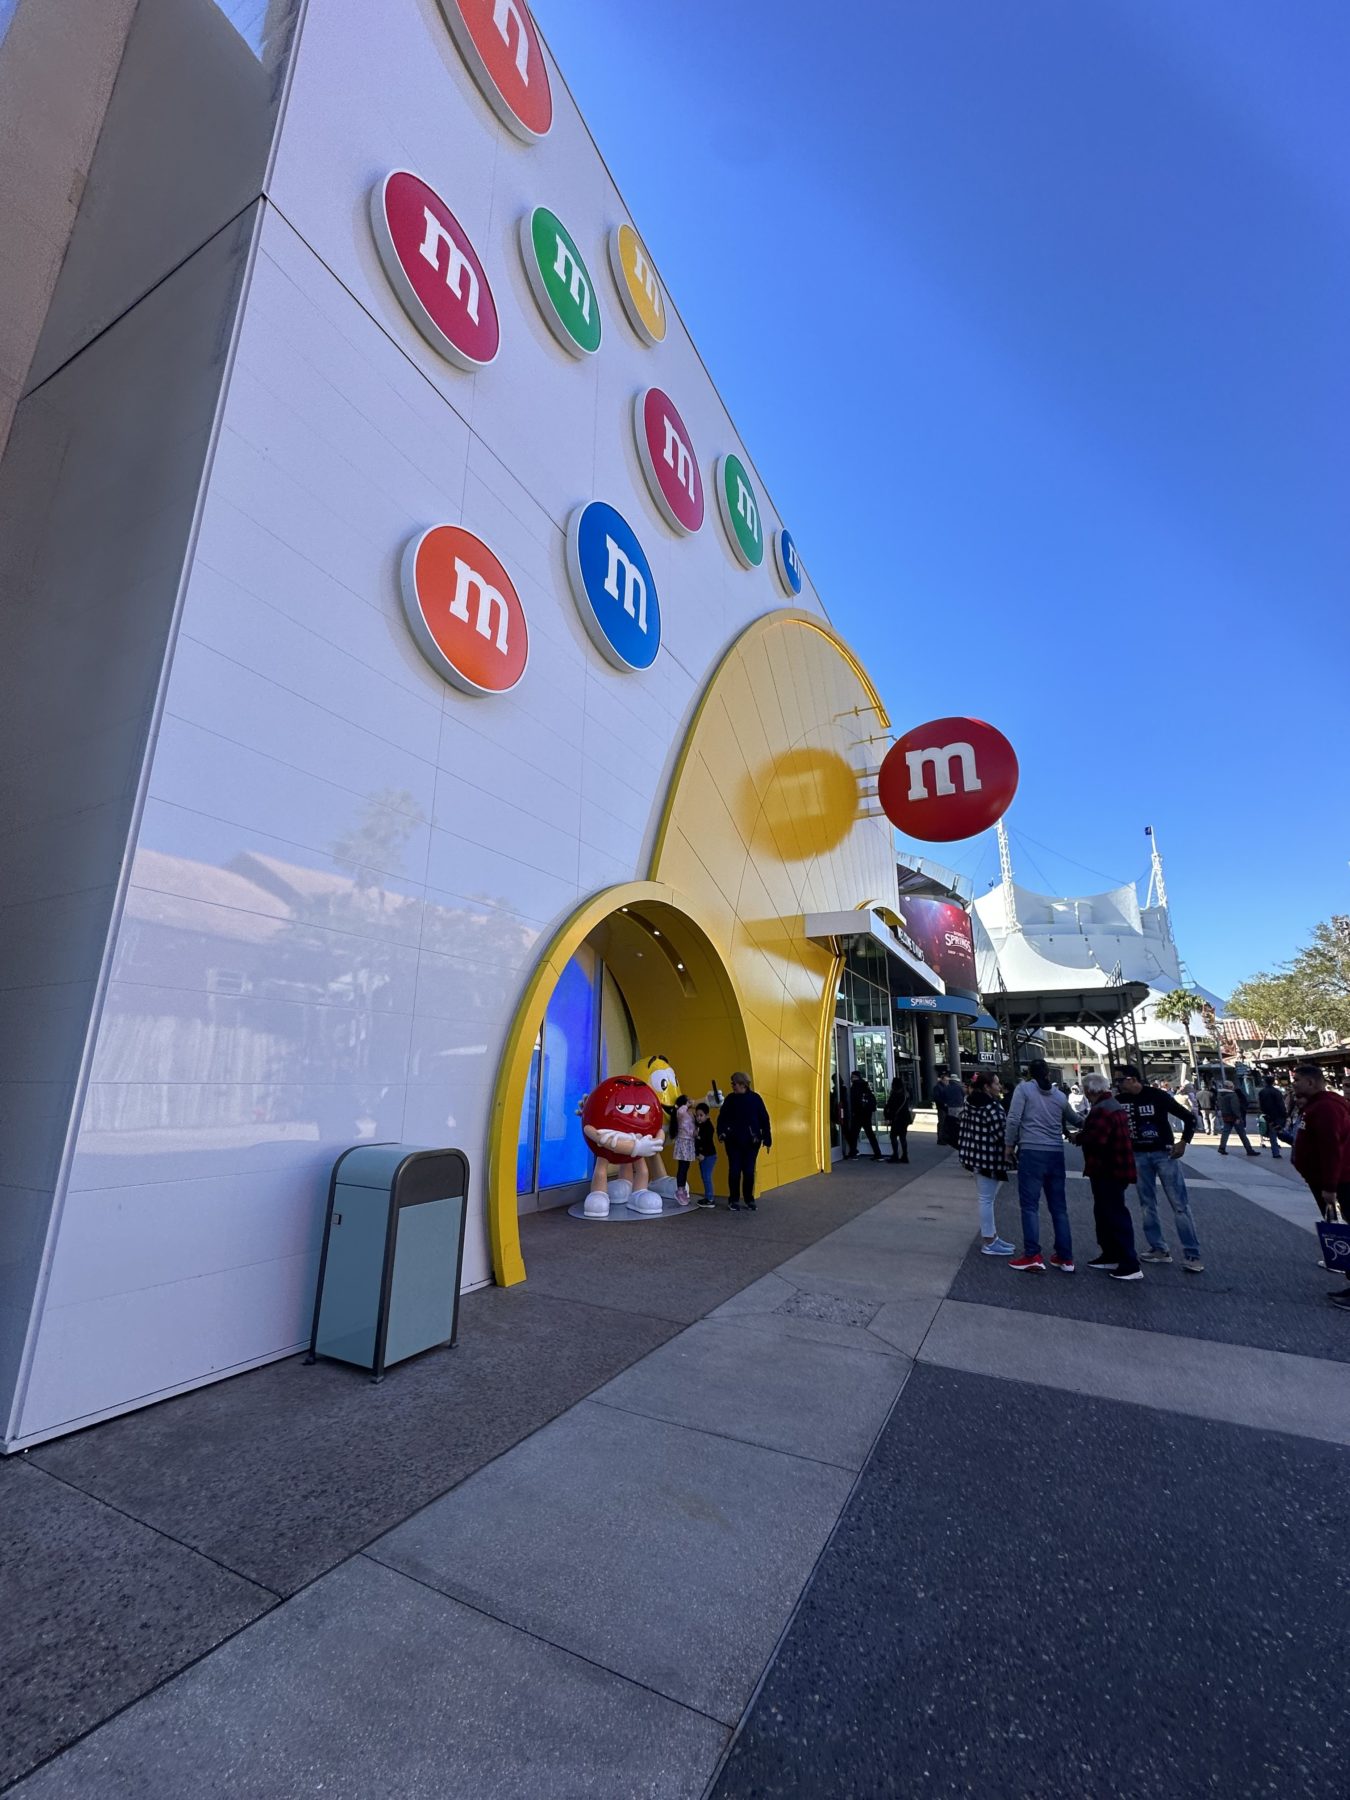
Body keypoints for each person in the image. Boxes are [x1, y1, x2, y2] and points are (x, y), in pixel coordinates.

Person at [1115, 1065, 1203, 1272]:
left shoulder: (1157, 1096)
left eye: (1120, 1080)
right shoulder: (1119, 1101)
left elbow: (1189, 1117)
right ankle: (1158, 1248)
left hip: (1164, 1153)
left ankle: (1192, 1254)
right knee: (1147, 1203)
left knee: (1179, 1204)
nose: (1117, 1084)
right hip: (1137, 1154)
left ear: (1133, 1079)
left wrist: (1183, 1142)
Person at [1004, 1058, 1077, 1272]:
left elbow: (1014, 1118)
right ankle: (1065, 1256)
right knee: (1059, 1208)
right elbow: (1073, 1118)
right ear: (1048, 1073)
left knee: (1029, 1206)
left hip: (1031, 1150)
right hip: (1055, 1152)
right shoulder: (1059, 1096)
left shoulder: (1024, 1090)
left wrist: (1009, 1145)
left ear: (1029, 1073)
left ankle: (1032, 1254)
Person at [1290, 1063, 1350, 1312]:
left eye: (1297, 1081)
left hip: (1340, 1182)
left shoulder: (1326, 1107)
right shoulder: (1317, 1105)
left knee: (1345, 1232)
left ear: (1311, 1083)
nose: (1293, 1085)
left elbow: (1331, 1148)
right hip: (1328, 1180)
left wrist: (1329, 1186)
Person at [1074, 1072, 1142, 1280]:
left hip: (1107, 1169)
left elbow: (1097, 1139)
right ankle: (1112, 1254)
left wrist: (1079, 1137)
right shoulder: (1112, 1105)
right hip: (1116, 1168)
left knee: (1114, 1213)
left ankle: (1129, 1263)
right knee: (1106, 1212)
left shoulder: (1102, 1110)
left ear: (1088, 1090)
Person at [957, 1072, 1015, 1256]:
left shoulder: (969, 1104)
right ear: (987, 1087)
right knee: (986, 1199)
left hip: (973, 1156)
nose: (999, 1087)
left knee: (985, 1198)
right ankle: (989, 1240)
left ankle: (992, 1237)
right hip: (989, 1159)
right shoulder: (991, 1108)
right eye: (996, 1084)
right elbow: (1002, 1135)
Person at [717, 1071, 772, 1211]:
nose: (732, 1086)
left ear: (742, 1084)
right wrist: (722, 1133)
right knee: (734, 1171)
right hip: (733, 1141)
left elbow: (764, 1119)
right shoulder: (730, 1099)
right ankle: (734, 1200)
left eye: (734, 1084)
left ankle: (749, 1199)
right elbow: (722, 1118)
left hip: (751, 1142)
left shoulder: (755, 1099)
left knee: (748, 1171)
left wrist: (767, 1138)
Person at [846, 1069, 882, 1160]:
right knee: (870, 1134)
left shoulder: (855, 1087)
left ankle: (853, 1153)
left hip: (858, 1114)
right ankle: (878, 1154)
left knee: (853, 1134)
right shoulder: (866, 1086)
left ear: (855, 1077)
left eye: (852, 1077)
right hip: (867, 1114)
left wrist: (853, 1112)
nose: (851, 1079)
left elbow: (854, 1102)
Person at [1216, 1082, 1258, 1156]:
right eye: (1232, 1086)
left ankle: (1222, 1147)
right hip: (1234, 1117)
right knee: (1242, 1134)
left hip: (1226, 1115)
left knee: (1225, 1133)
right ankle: (1249, 1149)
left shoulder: (1220, 1095)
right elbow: (1235, 1107)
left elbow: (1219, 1105)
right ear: (1229, 1087)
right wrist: (1238, 1117)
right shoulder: (1232, 1095)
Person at [1257, 1074, 1289, 1159]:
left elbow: (1260, 1104)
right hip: (1278, 1115)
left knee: (1273, 1133)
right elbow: (1280, 1104)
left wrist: (1264, 1112)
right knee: (1281, 1131)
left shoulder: (1262, 1092)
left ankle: (1275, 1152)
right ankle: (1292, 1144)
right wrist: (1285, 1114)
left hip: (1268, 1115)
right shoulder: (1277, 1092)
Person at [933, 1066, 966, 1148]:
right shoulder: (957, 1087)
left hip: (948, 1107)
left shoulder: (945, 1088)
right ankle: (943, 1139)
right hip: (947, 1107)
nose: (947, 1081)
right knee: (945, 1123)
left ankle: (945, 1138)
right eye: (946, 1080)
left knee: (947, 1123)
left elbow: (943, 1097)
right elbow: (963, 1095)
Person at [671, 1095, 695, 1204]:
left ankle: (682, 1189)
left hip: (689, 1142)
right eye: (687, 1101)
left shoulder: (688, 1113)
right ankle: (679, 1191)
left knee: (686, 1167)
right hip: (683, 1142)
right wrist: (687, 1104)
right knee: (682, 1167)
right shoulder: (681, 1112)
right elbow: (681, 1111)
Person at [883, 1074, 912, 1163]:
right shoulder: (905, 1094)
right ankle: (905, 1156)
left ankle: (895, 1155)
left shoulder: (895, 1095)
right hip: (905, 1118)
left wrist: (888, 1117)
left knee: (893, 1136)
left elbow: (891, 1107)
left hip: (897, 1119)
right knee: (903, 1137)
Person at [693, 1102, 717, 1208]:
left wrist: (701, 1154)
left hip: (708, 1155)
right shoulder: (700, 1125)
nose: (699, 1117)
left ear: (707, 1115)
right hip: (704, 1156)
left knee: (706, 1176)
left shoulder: (708, 1127)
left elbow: (706, 1141)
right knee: (704, 1176)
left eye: (701, 1115)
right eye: (697, 1115)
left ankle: (710, 1199)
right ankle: (708, 1197)